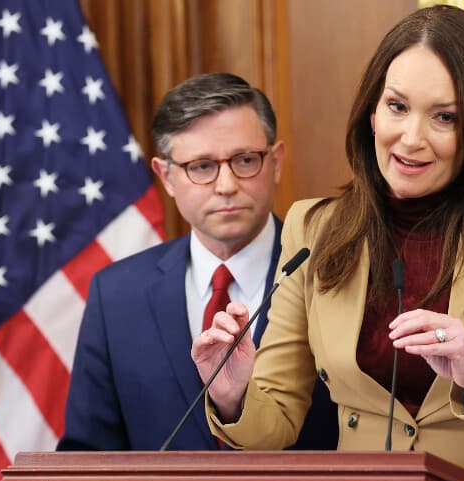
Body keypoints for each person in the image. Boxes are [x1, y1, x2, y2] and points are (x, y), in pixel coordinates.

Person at [193, 6, 464, 481]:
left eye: (444, 117)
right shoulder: (314, 228)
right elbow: (275, 421)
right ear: (372, 112)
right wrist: (233, 394)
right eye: (397, 106)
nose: (411, 138)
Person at [57, 73, 337, 451]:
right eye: (202, 166)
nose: (226, 185)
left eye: (245, 160)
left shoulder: (333, 276)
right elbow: (88, 457)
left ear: (276, 161)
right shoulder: (117, 295)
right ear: (167, 176)